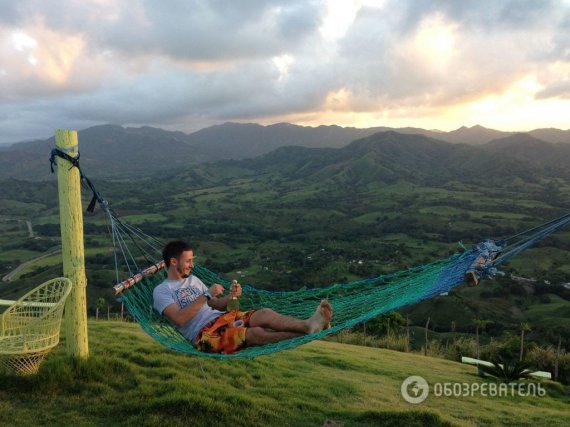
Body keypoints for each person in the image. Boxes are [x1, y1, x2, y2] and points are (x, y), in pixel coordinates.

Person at [153, 240, 333, 354]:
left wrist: (230, 297)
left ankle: (307, 325)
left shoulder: (193, 280)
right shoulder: (162, 291)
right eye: (188, 261)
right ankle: (308, 330)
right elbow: (179, 319)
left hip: (221, 318)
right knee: (254, 334)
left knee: (264, 313)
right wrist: (206, 294)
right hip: (205, 336)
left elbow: (214, 304)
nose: (192, 265)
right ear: (174, 261)